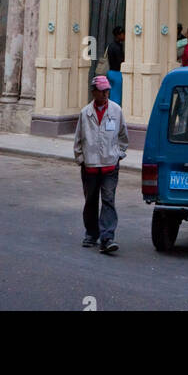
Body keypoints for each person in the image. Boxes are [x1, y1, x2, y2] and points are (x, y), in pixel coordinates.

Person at [73, 74, 129, 254]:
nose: (105, 94)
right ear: (94, 92)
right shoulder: (85, 113)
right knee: (90, 200)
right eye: (102, 91)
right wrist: (81, 158)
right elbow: (78, 139)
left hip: (110, 166)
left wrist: (118, 154)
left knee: (108, 200)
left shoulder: (116, 111)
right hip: (90, 166)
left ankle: (107, 237)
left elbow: (123, 136)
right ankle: (91, 233)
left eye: (107, 91)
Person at [106, 25, 124, 107]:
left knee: (113, 95)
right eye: (123, 34)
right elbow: (120, 61)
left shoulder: (111, 45)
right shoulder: (117, 47)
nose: (124, 36)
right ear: (118, 35)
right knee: (117, 98)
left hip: (110, 73)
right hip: (117, 73)